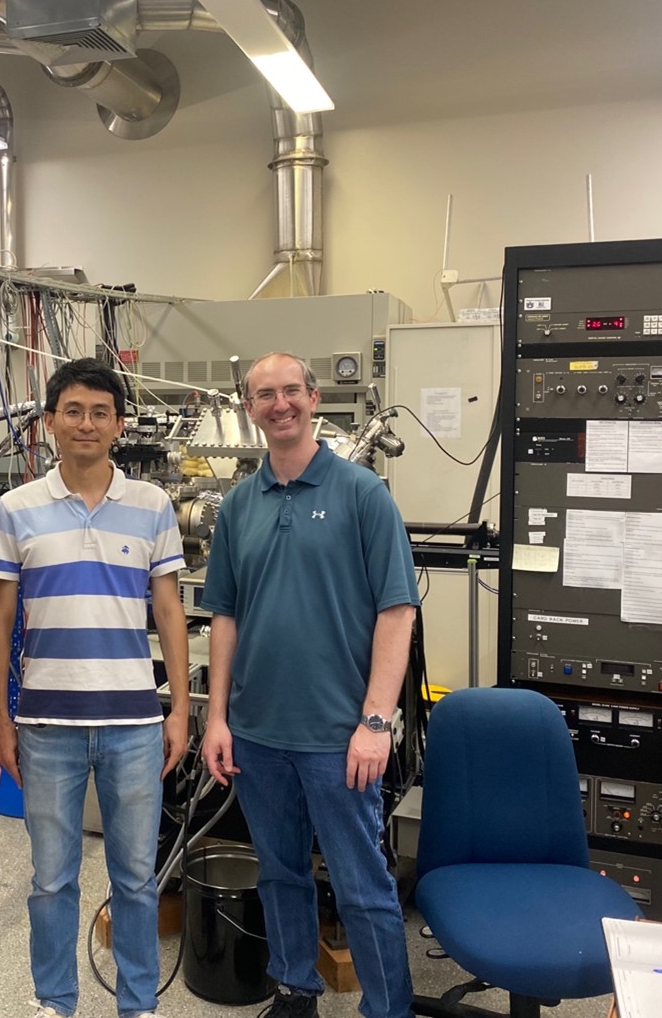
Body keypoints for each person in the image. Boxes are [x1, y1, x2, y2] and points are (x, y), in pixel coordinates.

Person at [200, 351, 418, 1018]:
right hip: (259, 732)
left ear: (315, 398)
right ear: (250, 408)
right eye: (264, 394)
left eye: (291, 390)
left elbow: (397, 611)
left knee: (362, 884)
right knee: (280, 871)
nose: (280, 404)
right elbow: (226, 617)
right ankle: (296, 988)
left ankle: (387, 1008)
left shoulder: (362, 493)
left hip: (338, 735)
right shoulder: (238, 505)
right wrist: (217, 717)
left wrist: (376, 720)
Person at [0, 357, 191, 1018]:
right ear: (50, 422)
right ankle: (55, 1000)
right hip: (47, 726)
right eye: (72, 410)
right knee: (51, 880)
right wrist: (0, 720)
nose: (86, 423)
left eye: (101, 411)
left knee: (134, 879)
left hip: (133, 724)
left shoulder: (152, 505)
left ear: (120, 424)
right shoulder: (17, 509)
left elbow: (168, 611)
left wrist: (180, 708)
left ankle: (138, 1004)